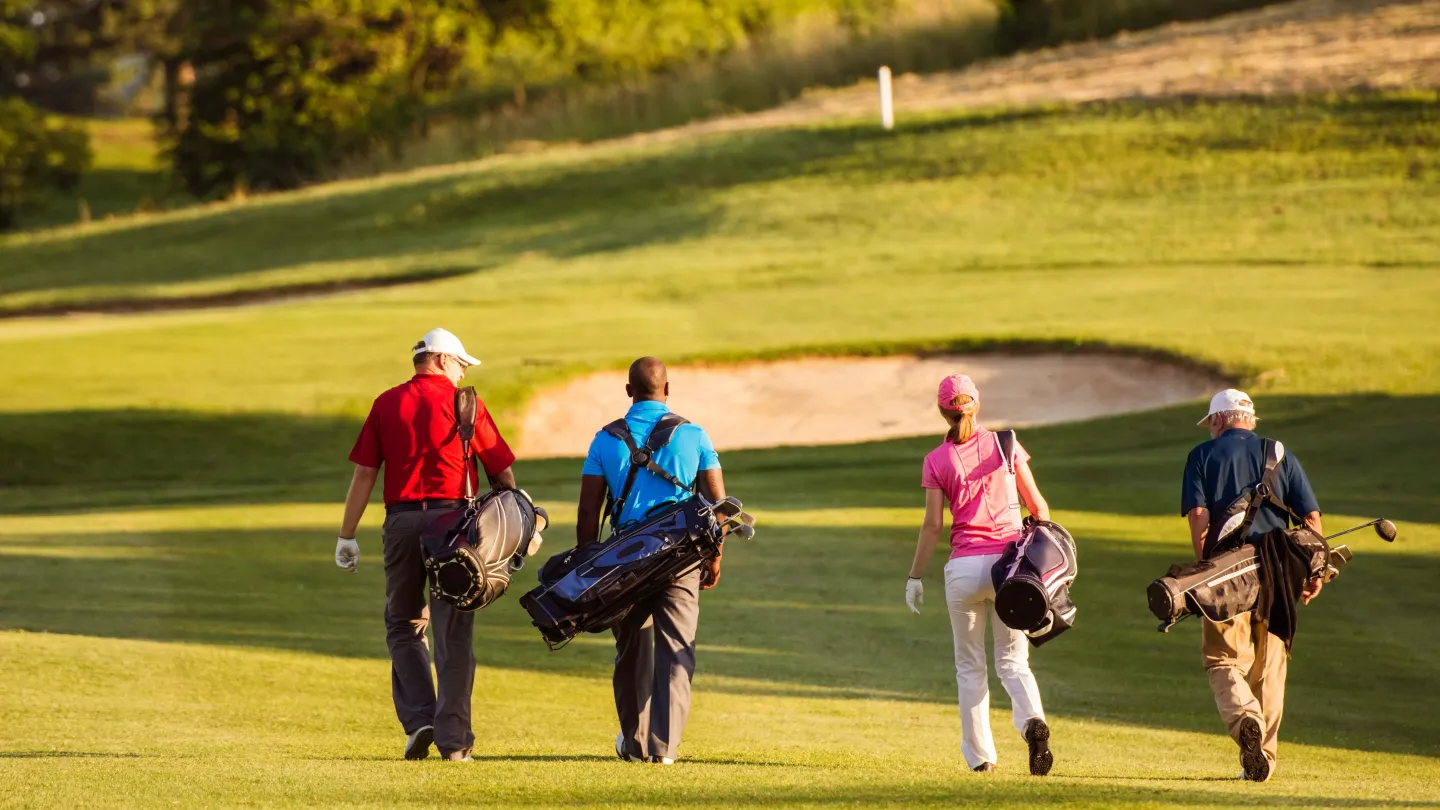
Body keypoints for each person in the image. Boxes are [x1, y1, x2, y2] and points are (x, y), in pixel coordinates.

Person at [335, 327, 518, 762]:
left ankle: (420, 719)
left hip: (399, 523)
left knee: (403, 623)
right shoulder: (465, 403)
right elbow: (502, 472)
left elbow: (364, 474)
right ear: (439, 360)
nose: (460, 373)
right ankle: (454, 744)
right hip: (454, 527)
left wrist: (347, 534)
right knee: (452, 634)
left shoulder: (386, 402)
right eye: (459, 364)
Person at [573, 357, 726, 765]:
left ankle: (635, 743)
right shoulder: (694, 435)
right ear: (667, 389)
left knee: (631, 652)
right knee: (677, 650)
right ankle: (665, 749)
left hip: (624, 560)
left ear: (629, 391)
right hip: (682, 556)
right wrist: (714, 557)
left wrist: (587, 566)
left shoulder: (605, 439)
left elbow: (589, 512)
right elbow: (718, 505)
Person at [904, 374, 1055, 776]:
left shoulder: (936, 460)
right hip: (1009, 569)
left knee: (970, 668)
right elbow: (1038, 507)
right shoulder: (1005, 444)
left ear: (942, 412)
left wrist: (915, 576)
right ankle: (1032, 722)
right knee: (1013, 662)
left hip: (964, 571)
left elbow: (933, 525)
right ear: (976, 404)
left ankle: (981, 759)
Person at [1182, 388, 1323, 782]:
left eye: (1211, 422)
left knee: (1223, 660)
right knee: (1270, 669)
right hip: (1279, 573)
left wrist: (1202, 566)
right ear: (1249, 419)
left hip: (1227, 575)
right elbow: (1311, 520)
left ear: (1219, 419)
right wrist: (1315, 573)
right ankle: (1262, 762)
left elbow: (1198, 515)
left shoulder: (1202, 456)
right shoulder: (1279, 452)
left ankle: (1246, 721)